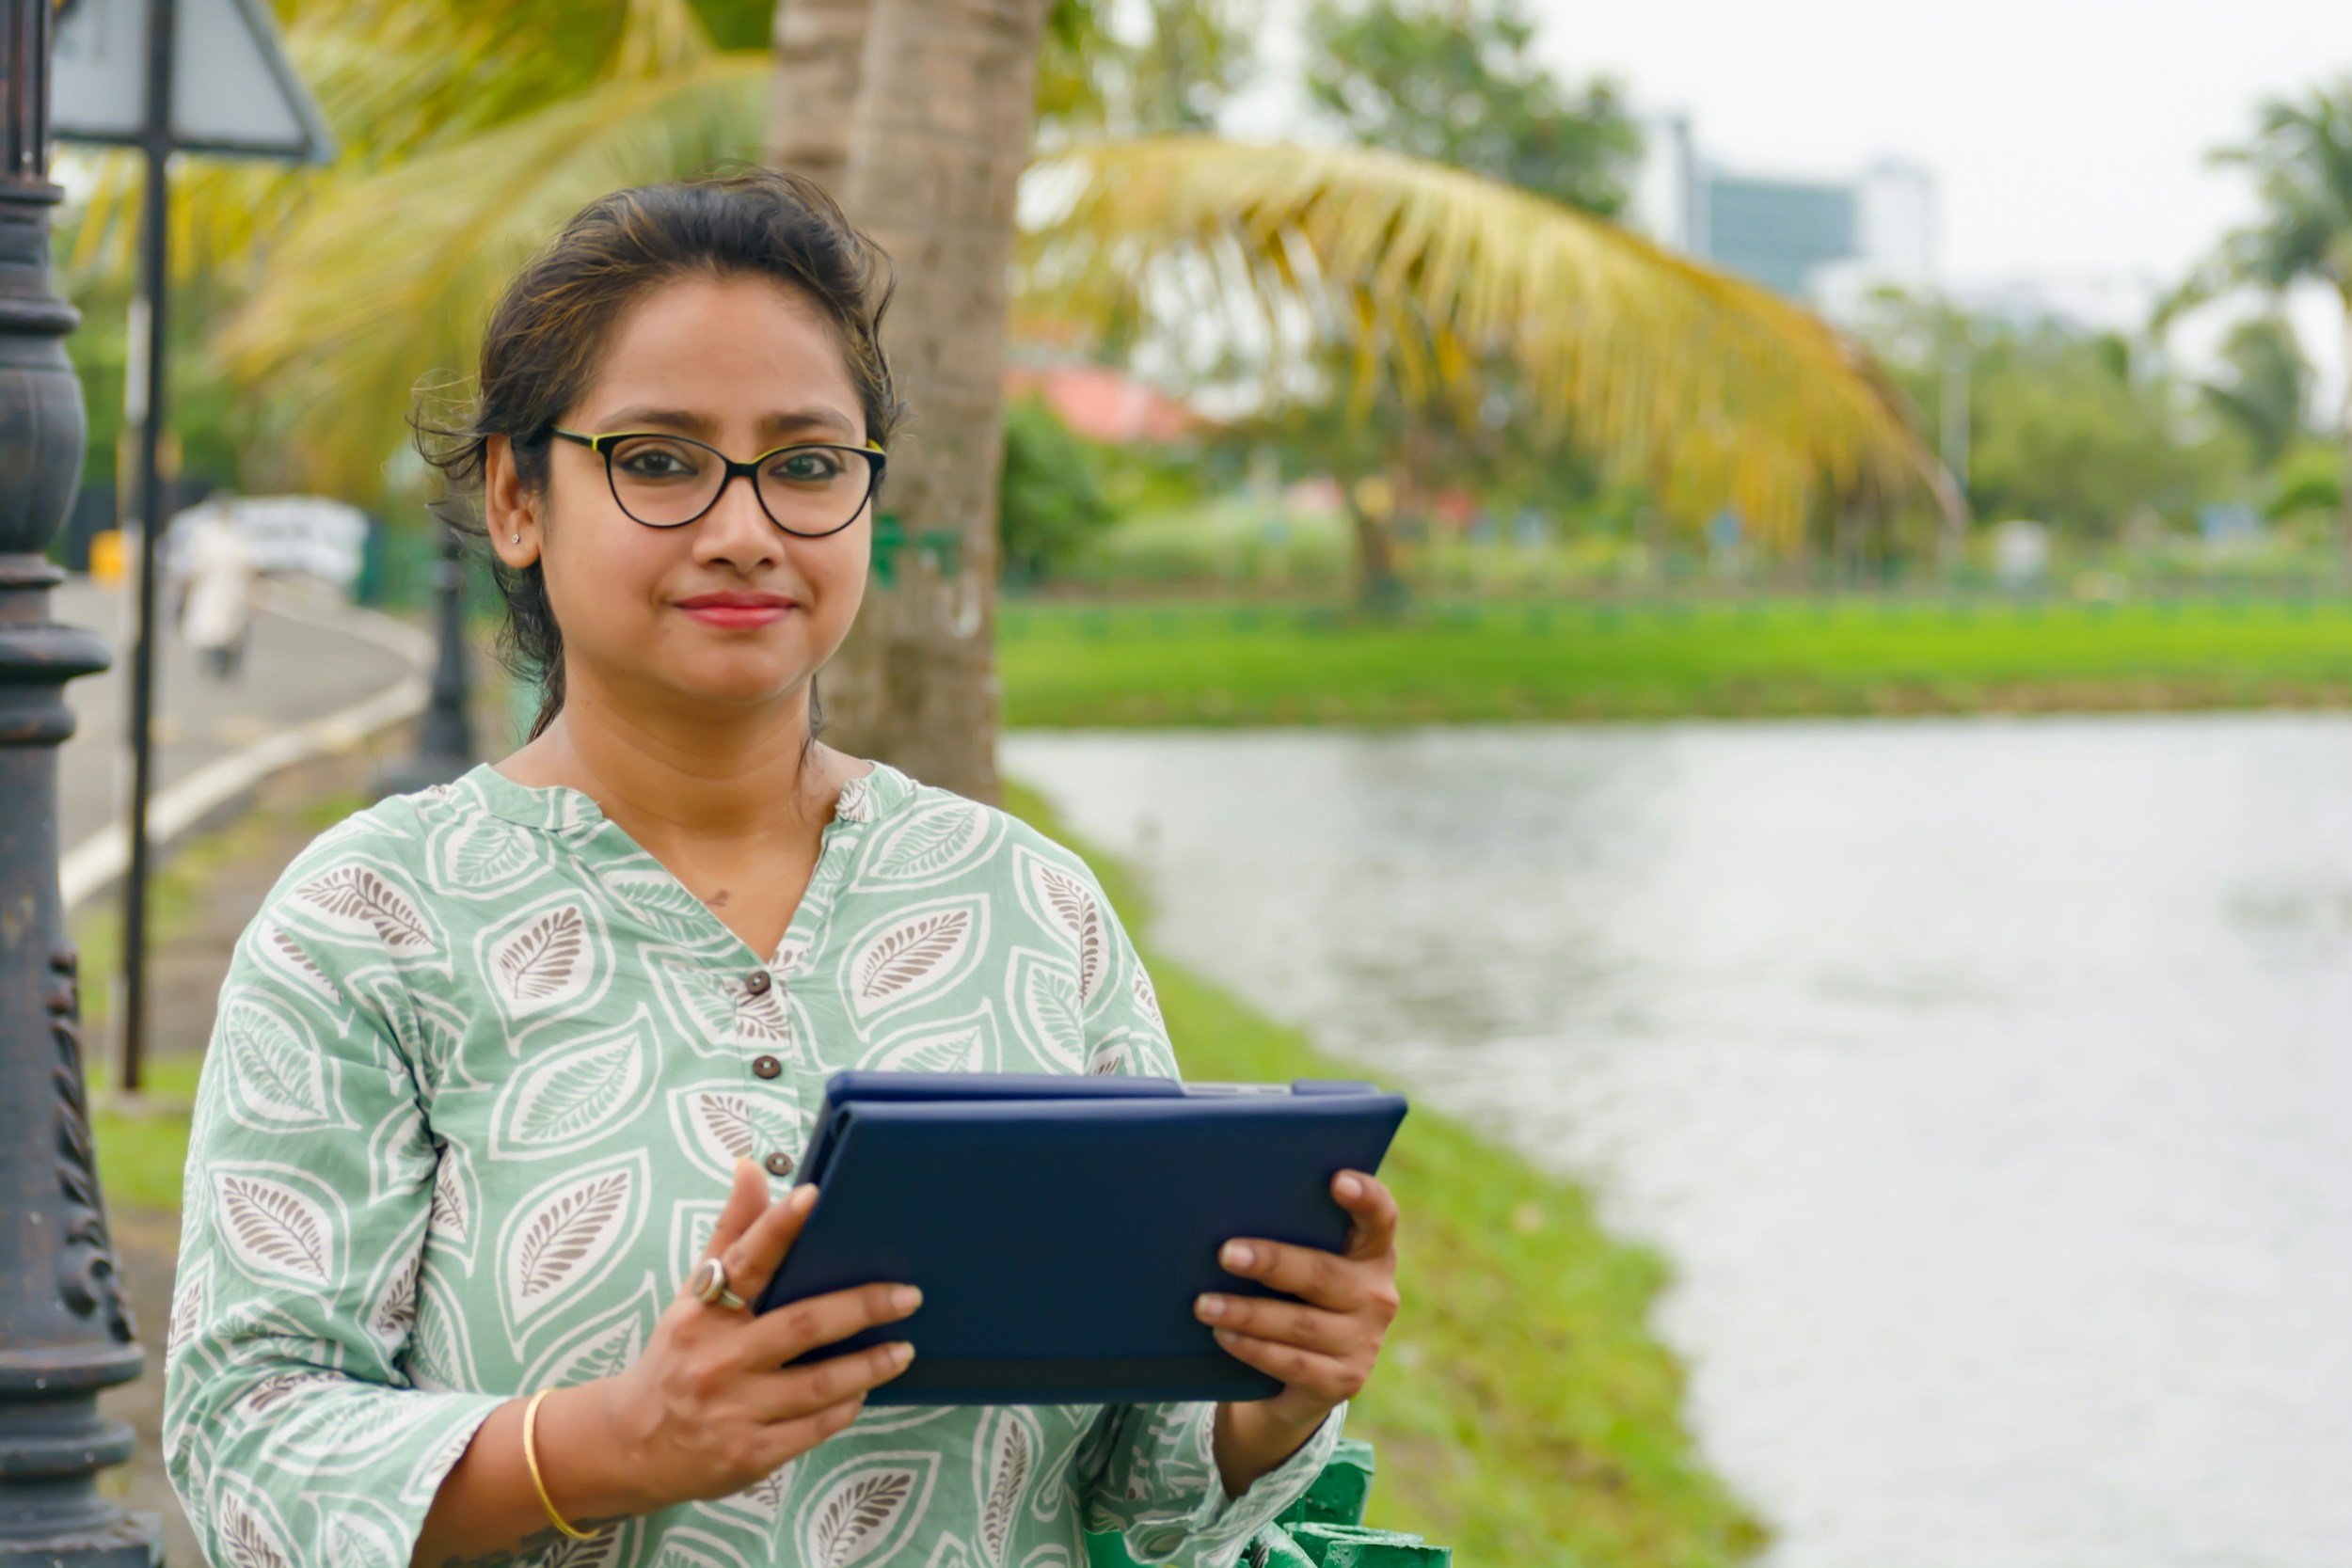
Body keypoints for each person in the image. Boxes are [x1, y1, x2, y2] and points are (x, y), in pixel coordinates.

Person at [160, 166, 1404, 1568]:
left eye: (806, 464)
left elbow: (1137, 1481)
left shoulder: (1030, 908)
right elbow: (245, 1438)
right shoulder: (370, 920)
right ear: (518, 495)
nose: (744, 526)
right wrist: (614, 1440)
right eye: (659, 458)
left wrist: (1274, 1390)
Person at [173, 492, 258, 681]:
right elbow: (193, 568)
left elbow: (249, 569)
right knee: (208, 628)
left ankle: (223, 667)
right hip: (210, 590)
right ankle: (212, 665)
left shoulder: (237, 534)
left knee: (229, 630)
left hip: (231, 590)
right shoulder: (206, 534)